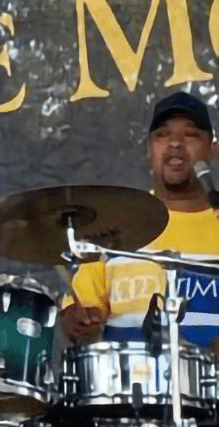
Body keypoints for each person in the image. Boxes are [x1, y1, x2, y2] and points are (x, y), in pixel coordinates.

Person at [61, 91, 219, 351]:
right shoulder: (116, 226)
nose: (175, 143)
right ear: (149, 149)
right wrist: (78, 322)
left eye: (190, 135)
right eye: (162, 135)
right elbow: (76, 318)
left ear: (212, 149)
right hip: (129, 387)